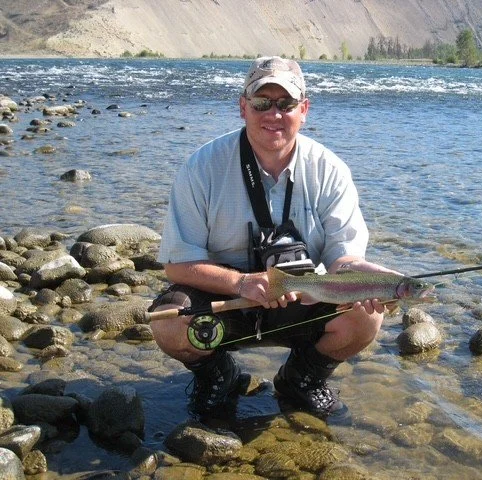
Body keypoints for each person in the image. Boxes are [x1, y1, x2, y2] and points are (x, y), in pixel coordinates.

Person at [149, 56, 397, 418]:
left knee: (365, 318)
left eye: (286, 104)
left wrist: (370, 277)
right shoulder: (201, 168)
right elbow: (177, 265)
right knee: (169, 321)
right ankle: (219, 375)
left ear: (304, 109)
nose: (273, 114)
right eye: (262, 103)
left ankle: (302, 378)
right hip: (227, 301)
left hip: (303, 303)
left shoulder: (330, 171)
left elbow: (344, 259)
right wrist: (242, 282)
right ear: (243, 107)